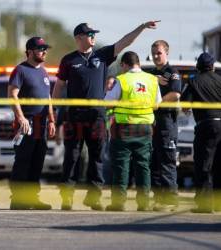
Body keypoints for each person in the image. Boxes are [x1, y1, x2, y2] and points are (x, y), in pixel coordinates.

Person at [52, 20, 160, 210]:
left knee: (97, 156)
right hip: (74, 116)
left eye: (94, 34)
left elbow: (125, 42)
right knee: (72, 157)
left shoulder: (101, 56)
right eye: (90, 34)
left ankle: (94, 197)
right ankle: (67, 197)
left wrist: (141, 27)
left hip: (97, 117)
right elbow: (60, 85)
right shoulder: (68, 60)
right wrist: (53, 110)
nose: (94, 37)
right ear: (79, 38)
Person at [105, 51, 161, 211]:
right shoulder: (151, 80)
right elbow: (157, 104)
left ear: (124, 64)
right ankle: (143, 204)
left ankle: (118, 203)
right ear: (138, 63)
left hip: (124, 128)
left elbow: (108, 102)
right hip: (145, 128)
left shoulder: (122, 80)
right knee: (143, 165)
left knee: (121, 165)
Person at [8, 36, 56, 210]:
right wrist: (20, 118)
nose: (44, 52)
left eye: (45, 49)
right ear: (29, 51)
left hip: (41, 125)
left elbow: (48, 98)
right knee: (23, 161)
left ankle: (32, 198)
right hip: (26, 125)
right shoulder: (20, 70)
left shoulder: (43, 72)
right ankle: (18, 199)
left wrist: (51, 119)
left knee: (37, 162)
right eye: (40, 49)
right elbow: (12, 95)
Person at [181, 52, 221, 213]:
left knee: (204, 165)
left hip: (206, 126)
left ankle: (205, 205)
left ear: (198, 66)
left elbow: (185, 105)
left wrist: (188, 110)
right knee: (219, 164)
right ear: (212, 66)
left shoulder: (194, 81)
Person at [150, 40, 182, 211]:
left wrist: (158, 103)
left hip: (167, 124)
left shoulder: (172, 73)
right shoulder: (152, 74)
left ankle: (170, 200)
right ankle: (158, 198)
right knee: (154, 163)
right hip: (152, 124)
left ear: (166, 53)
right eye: (154, 53)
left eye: (159, 53)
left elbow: (176, 94)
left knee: (167, 162)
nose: (156, 56)